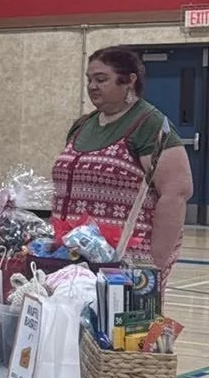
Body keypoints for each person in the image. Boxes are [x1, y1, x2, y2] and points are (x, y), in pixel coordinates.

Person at [51, 46, 192, 277]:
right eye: (89, 80)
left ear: (129, 81)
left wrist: (154, 264)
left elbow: (176, 193)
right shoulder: (82, 125)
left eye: (101, 79)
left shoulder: (149, 124)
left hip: (126, 262)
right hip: (71, 255)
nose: (92, 86)